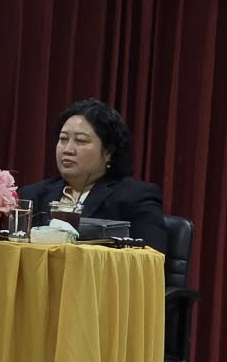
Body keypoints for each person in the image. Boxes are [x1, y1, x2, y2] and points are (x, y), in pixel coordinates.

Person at [26, 99, 167, 252]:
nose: (67, 149)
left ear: (108, 152)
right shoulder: (33, 195)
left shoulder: (136, 197)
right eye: (63, 139)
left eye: (80, 141)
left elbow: (150, 257)